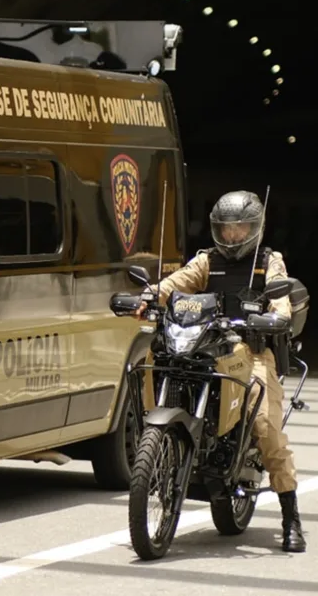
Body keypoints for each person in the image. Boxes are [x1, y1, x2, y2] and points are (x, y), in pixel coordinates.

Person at [134, 190, 306, 553]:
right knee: (157, 362)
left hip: (252, 352)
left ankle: (291, 517)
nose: (232, 236)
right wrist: (150, 296)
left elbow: (281, 301)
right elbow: (175, 284)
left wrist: (276, 315)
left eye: (240, 229)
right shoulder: (207, 261)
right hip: (208, 346)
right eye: (226, 230)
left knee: (264, 426)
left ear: (255, 228)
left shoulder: (268, 261)